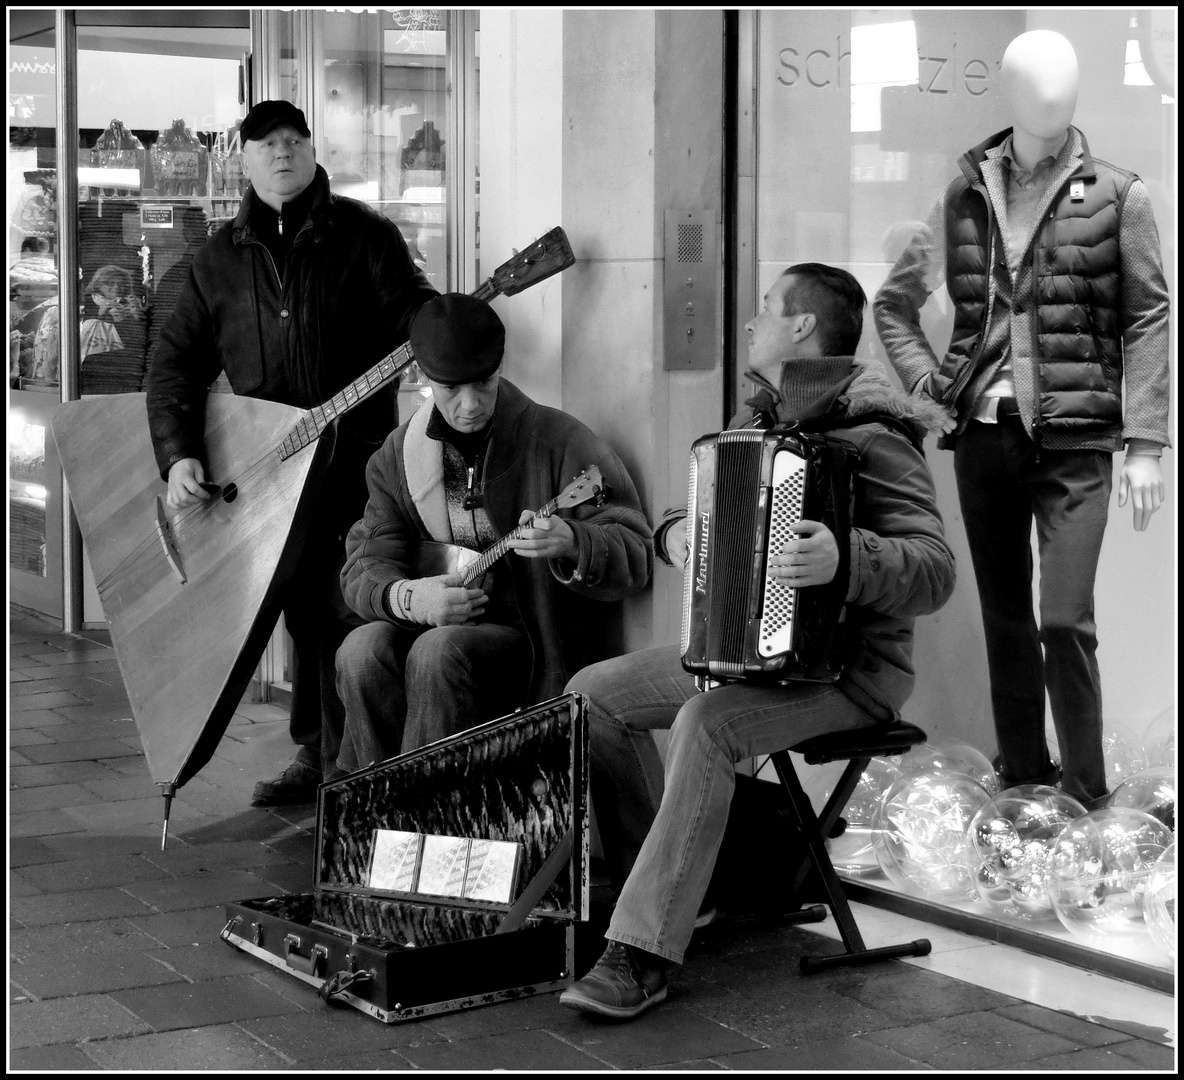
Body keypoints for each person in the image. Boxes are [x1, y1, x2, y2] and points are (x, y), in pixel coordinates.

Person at [559, 263, 956, 1020]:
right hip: (744, 654)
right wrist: (678, 534)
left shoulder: (877, 436)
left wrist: (849, 559)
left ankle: (641, 953)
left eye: (768, 308)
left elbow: (934, 571)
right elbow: (693, 511)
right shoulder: (757, 424)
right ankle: (679, 888)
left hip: (846, 674)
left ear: (803, 327)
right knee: (591, 696)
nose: (751, 322)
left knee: (705, 725)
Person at [873, 30, 1171, 809]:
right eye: (1035, 80)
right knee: (1005, 620)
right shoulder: (965, 191)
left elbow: (1148, 318)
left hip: (1074, 437)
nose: (1053, 93)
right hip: (983, 435)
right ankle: (1024, 785)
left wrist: (1146, 442)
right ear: (1008, 89)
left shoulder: (1118, 195)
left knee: (1065, 619)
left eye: (1064, 79)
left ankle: (1089, 795)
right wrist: (931, 391)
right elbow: (894, 306)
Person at [145, 99, 438, 806]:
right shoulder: (216, 260)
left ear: (311, 151)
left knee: (350, 609)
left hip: (360, 464)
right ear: (243, 159)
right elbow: (173, 365)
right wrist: (180, 454)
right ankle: (316, 753)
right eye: (266, 143)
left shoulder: (366, 235)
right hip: (267, 477)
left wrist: (445, 329)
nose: (282, 153)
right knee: (300, 613)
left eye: (293, 140)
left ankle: (355, 765)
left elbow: (413, 313)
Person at [334, 292, 653, 772]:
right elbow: (364, 564)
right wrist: (410, 598)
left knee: (437, 651)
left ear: (500, 367)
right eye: (451, 389)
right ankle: (380, 811)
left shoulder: (558, 441)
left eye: (483, 383)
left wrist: (571, 541)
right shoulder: (397, 457)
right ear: (423, 379)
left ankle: (432, 816)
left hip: (531, 643)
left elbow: (635, 546)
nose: (469, 404)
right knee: (361, 652)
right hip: (428, 624)